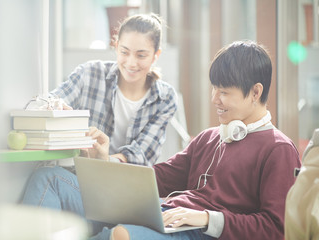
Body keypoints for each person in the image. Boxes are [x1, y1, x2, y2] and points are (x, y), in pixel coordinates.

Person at [83, 40, 302, 240]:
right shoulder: (210, 137)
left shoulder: (278, 149)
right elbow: (158, 178)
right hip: (172, 218)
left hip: (203, 232)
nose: (214, 99)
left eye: (224, 92)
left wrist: (207, 218)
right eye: (214, 88)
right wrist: (107, 162)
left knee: (121, 235)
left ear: (255, 92)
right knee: (76, 204)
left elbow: (276, 229)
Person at [22, 13, 177, 210]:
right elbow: (52, 99)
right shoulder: (89, 73)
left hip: (126, 192)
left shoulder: (165, 97)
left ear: (156, 55)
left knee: (47, 179)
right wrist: (56, 108)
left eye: (141, 55)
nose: (131, 63)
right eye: (124, 52)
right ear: (115, 45)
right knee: (45, 177)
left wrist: (104, 159)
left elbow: (142, 156)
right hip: (82, 184)